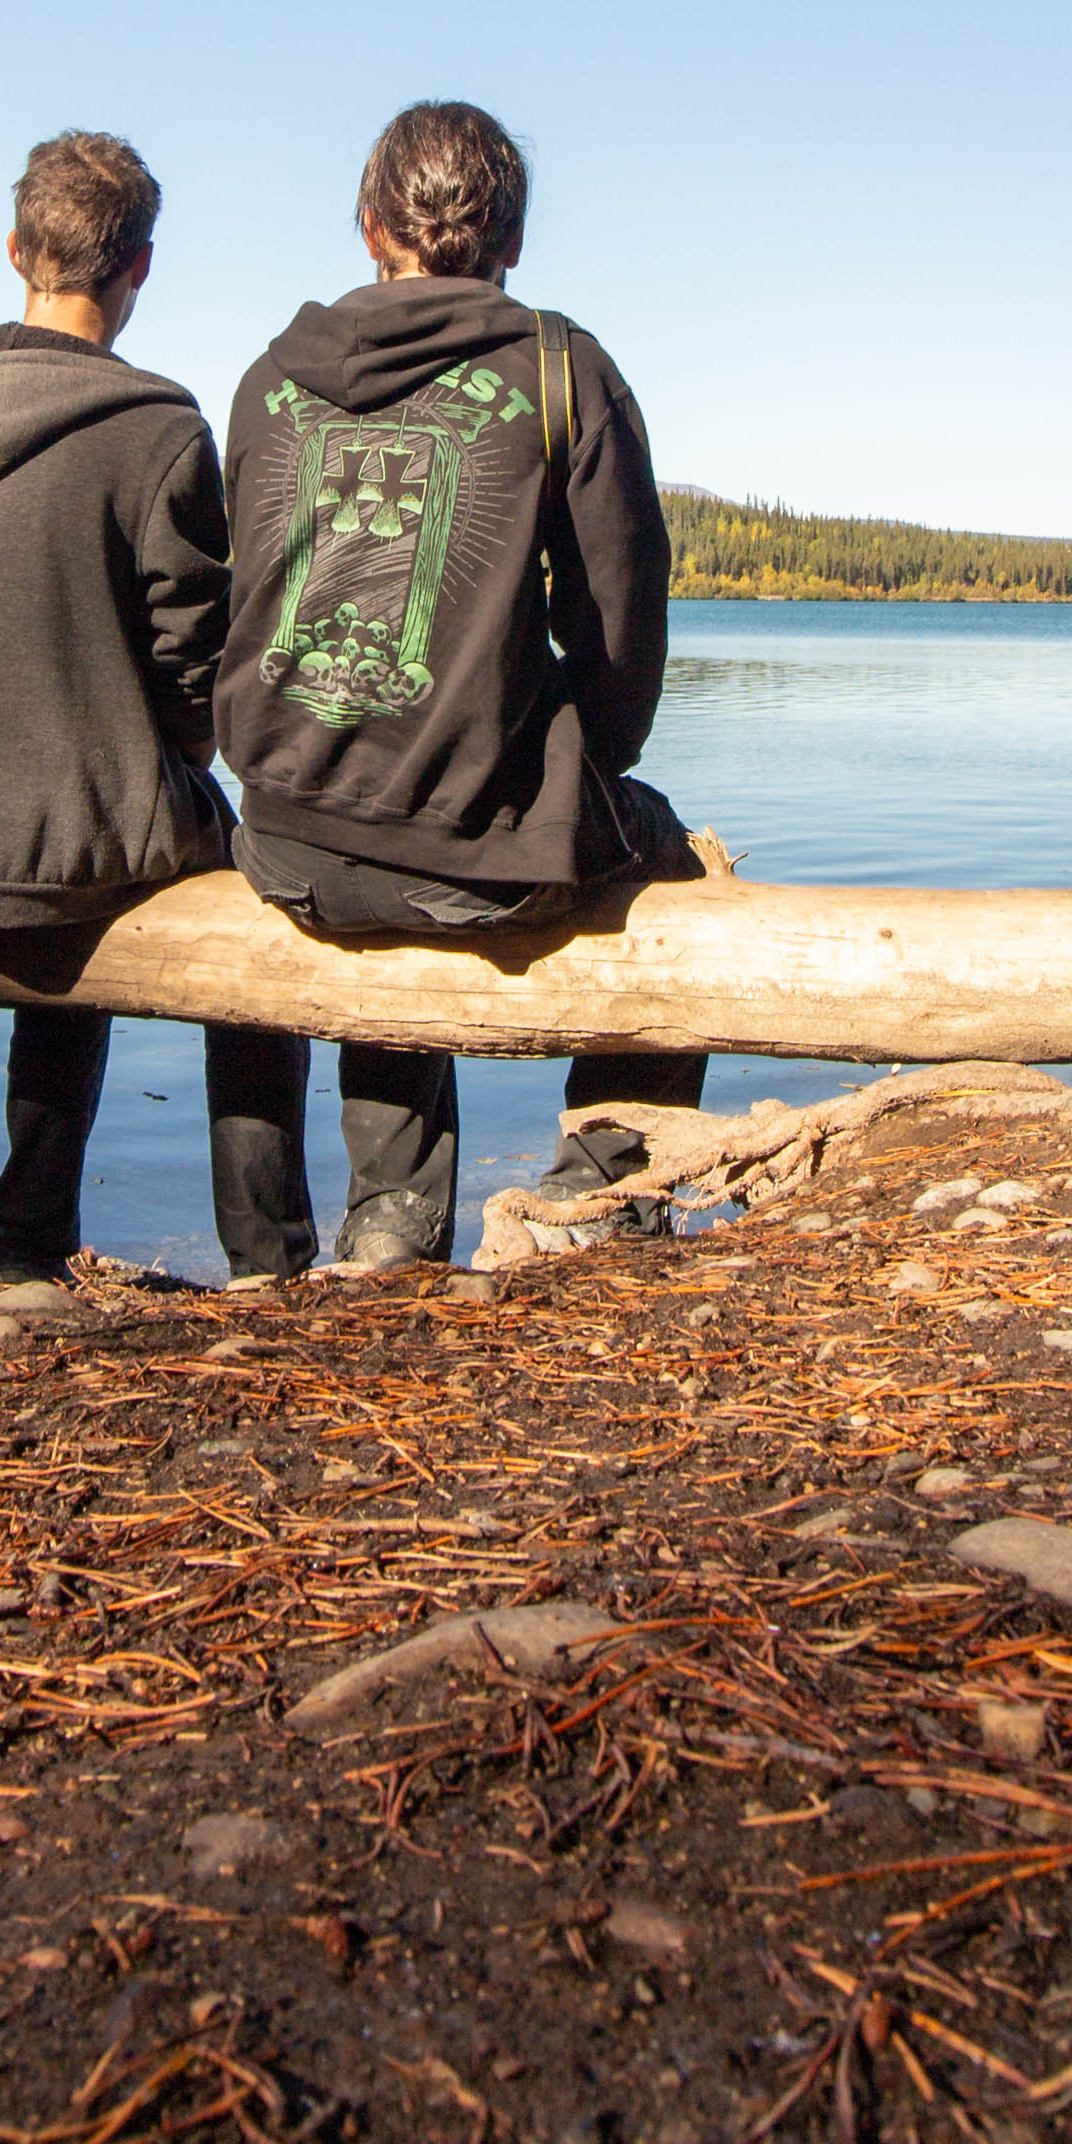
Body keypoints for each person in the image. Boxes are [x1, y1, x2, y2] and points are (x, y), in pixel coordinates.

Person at [0, 132, 324, 1283]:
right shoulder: (155, 430)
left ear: (15, 250)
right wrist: (179, 743)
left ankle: (29, 1240)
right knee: (259, 901)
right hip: (77, 842)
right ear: (139, 266)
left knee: (83, 823)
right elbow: (192, 659)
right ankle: (267, 1257)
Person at [217, 100, 704, 1268]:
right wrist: (582, 771)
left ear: (370, 225)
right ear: (513, 243)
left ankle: (392, 1215)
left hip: (281, 839)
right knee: (668, 860)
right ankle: (600, 1202)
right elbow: (620, 637)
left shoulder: (264, 381)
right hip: (460, 856)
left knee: (391, 826)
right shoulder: (558, 367)